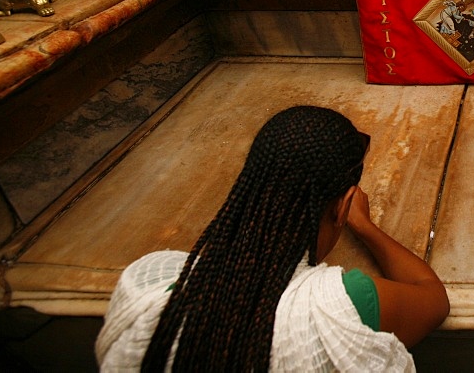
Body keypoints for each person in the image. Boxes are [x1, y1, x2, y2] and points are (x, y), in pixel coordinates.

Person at [95, 106, 449, 371]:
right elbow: (431, 297)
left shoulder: (145, 290)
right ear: (340, 209)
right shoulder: (342, 306)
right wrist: (365, 226)